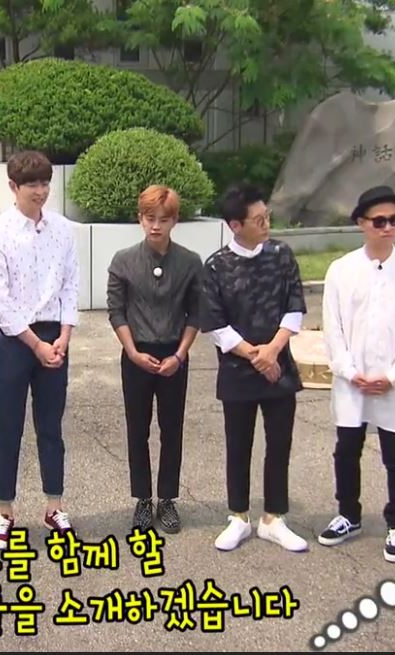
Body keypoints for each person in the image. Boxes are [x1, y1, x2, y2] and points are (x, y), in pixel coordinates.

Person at [316, 186, 395, 564]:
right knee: (347, 449)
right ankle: (348, 514)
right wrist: (349, 371)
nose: (387, 228)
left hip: (393, 384)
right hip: (352, 382)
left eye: (394, 221)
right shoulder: (341, 270)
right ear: (361, 223)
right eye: (379, 221)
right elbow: (333, 327)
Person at [198, 183, 310, 553]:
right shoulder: (216, 266)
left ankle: (274, 518)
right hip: (238, 370)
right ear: (235, 225)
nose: (266, 224)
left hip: (279, 367)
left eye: (267, 216)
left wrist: (273, 351)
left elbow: (294, 307)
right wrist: (256, 356)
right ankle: (239, 516)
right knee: (238, 444)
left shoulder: (281, 255)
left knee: (279, 444)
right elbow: (215, 325)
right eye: (258, 219)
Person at [0, 150, 80, 549]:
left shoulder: (63, 230)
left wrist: (65, 336)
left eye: (44, 183)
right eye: (31, 184)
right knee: (9, 427)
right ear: (13, 187)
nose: (40, 191)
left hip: (54, 335)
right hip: (13, 340)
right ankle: (4, 512)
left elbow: (70, 284)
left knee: (51, 427)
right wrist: (35, 344)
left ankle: (55, 506)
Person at [106, 184, 202, 534]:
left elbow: (196, 312)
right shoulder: (123, 260)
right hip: (137, 353)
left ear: (175, 220)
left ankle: (168, 499)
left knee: (171, 428)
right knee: (138, 428)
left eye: (163, 219)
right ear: (140, 219)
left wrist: (180, 354)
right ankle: (143, 499)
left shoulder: (190, 262)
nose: (156, 225)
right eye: (149, 218)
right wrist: (132, 352)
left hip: (174, 354)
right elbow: (116, 310)